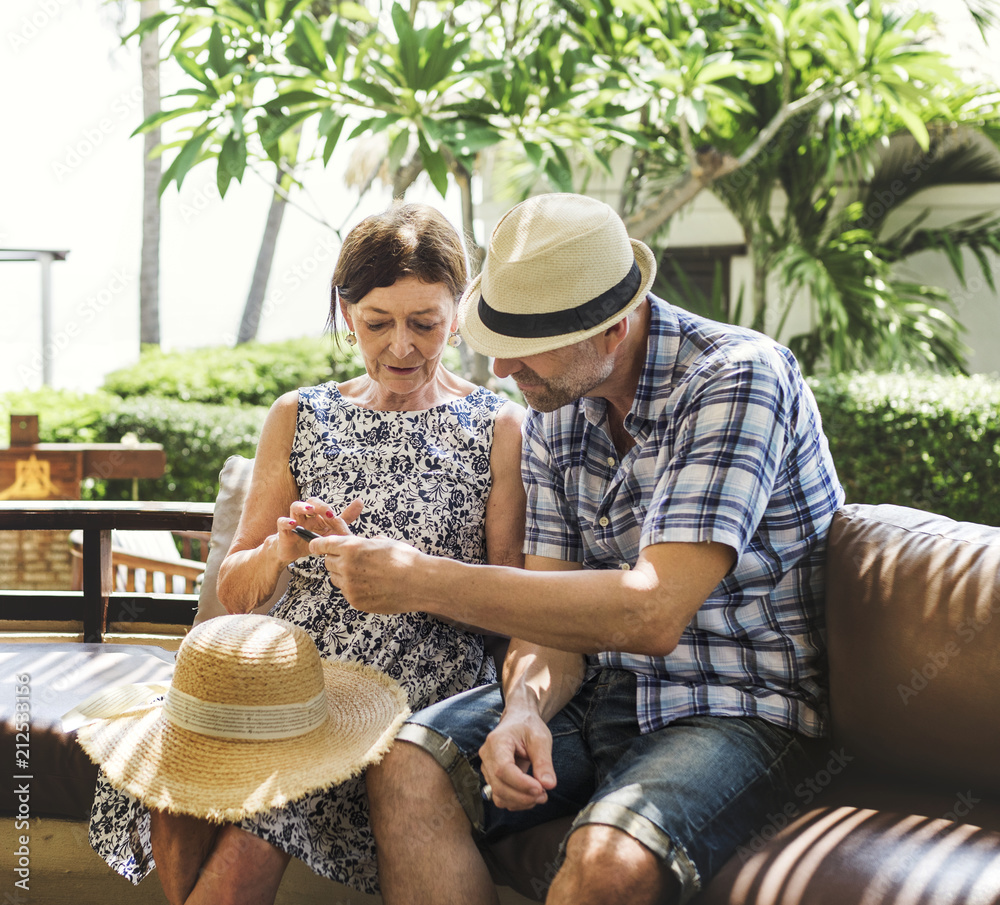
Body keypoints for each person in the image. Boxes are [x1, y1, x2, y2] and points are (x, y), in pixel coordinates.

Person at [310, 192, 846, 905]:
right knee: (409, 761)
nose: (500, 370)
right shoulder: (555, 407)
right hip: (602, 690)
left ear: (612, 329)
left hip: (741, 704)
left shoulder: (737, 378)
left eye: (524, 347)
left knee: (605, 862)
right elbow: (549, 621)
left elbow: (651, 611)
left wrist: (423, 580)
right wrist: (524, 707)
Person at [86, 201, 526, 905]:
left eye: (426, 323)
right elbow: (237, 587)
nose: (402, 346)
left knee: (240, 856)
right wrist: (283, 549)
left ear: (458, 312)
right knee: (174, 757)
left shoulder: (499, 425)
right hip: (298, 689)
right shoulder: (300, 414)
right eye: (378, 323)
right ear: (344, 309)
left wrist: (421, 588)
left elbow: (514, 599)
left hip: (418, 696)